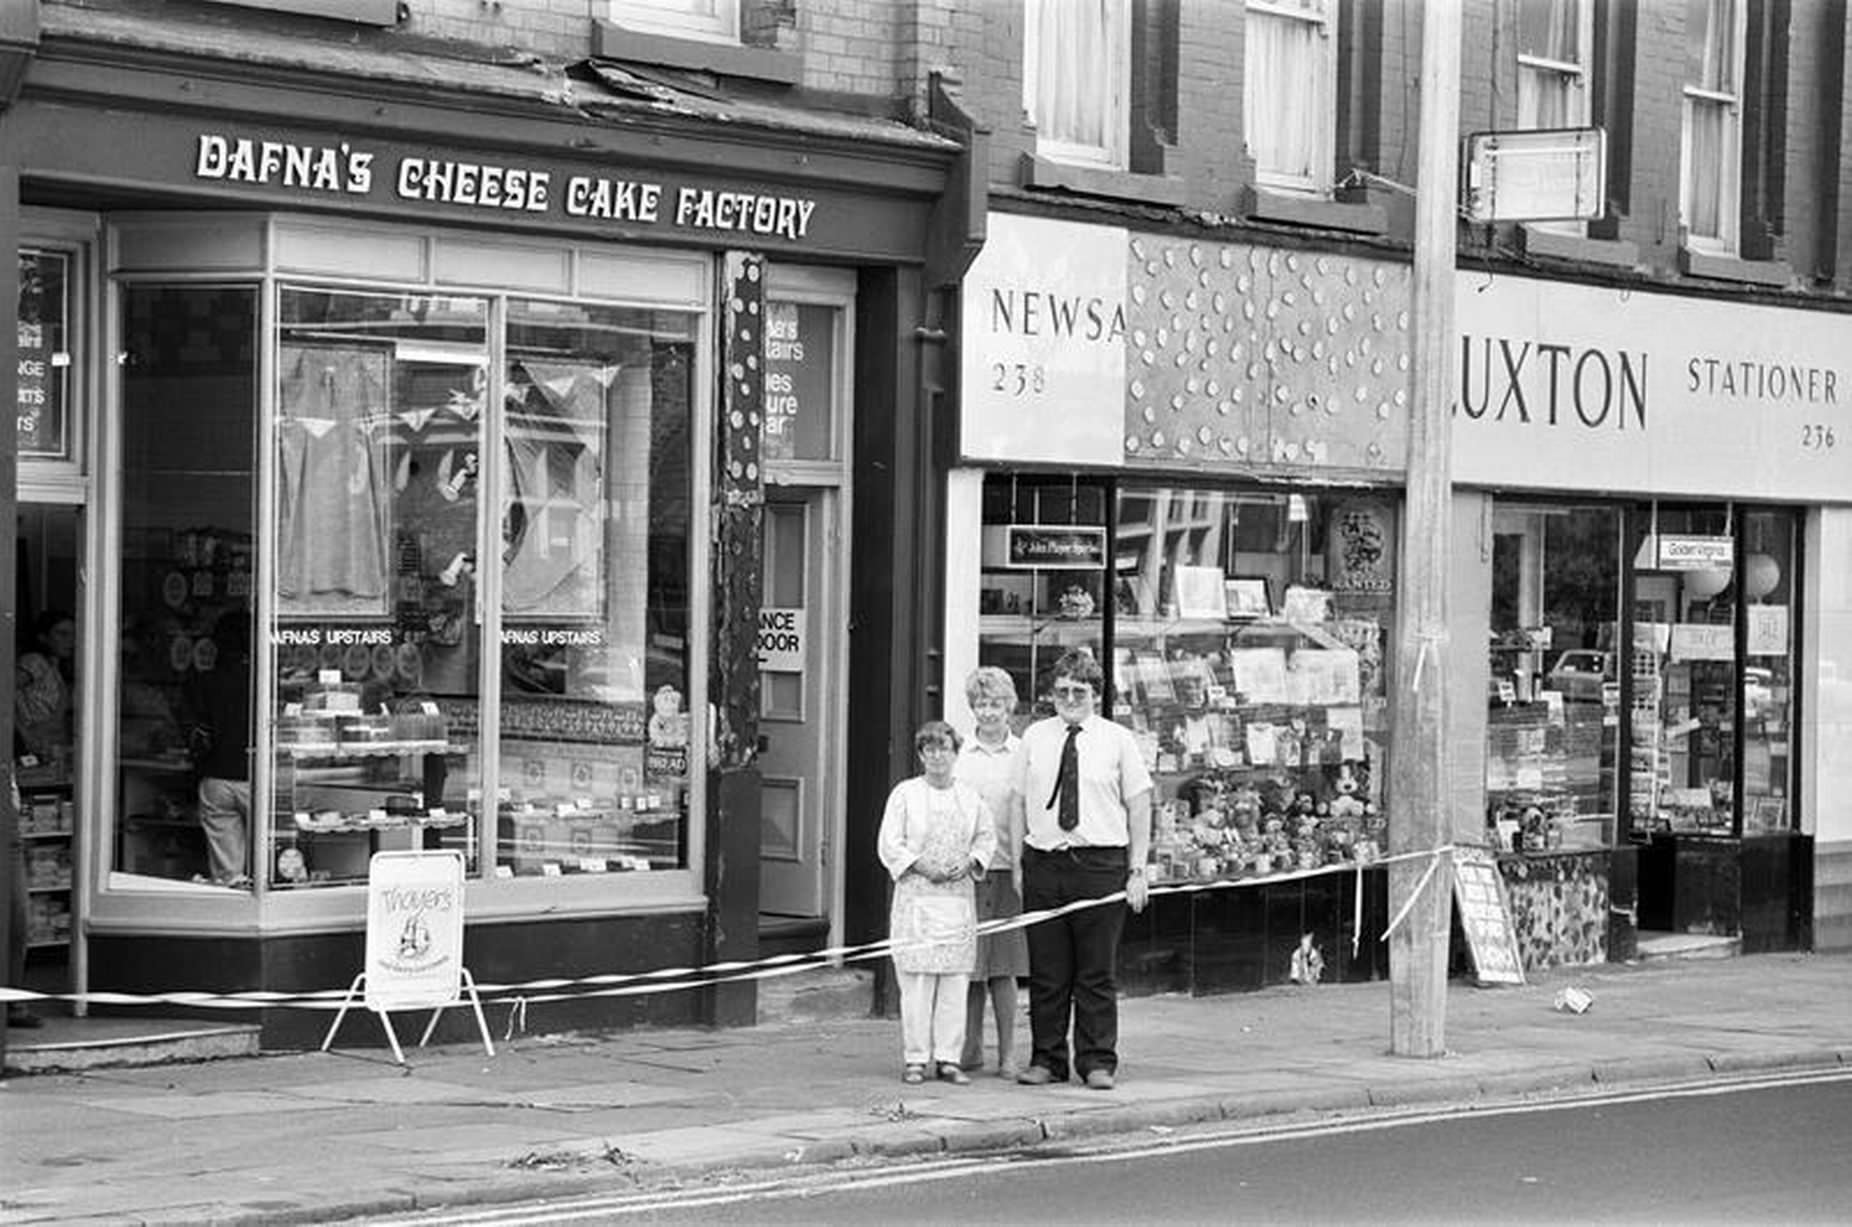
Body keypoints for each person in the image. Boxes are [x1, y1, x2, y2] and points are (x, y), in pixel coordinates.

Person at [1010, 648, 1152, 1091]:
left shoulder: (1117, 740)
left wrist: (1137, 869)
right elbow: (1016, 801)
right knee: (1048, 973)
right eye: (1062, 691)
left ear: (1096, 693)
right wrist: (1019, 863)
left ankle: (1096, 1061)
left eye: (1080, 691)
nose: (1070, 698)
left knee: (1096, 972)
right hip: (1045, 863)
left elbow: (1140, 804)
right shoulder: (1035, 736)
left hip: (1100, 864)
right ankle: (1047, 1059)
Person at [877, 720, 996, 1086]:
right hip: (917, 896)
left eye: (944, 748)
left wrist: (972, 861)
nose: (937, 756)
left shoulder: (970, 796)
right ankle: (915, 1058)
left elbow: (986, 837)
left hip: (957, 898)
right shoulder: (905, 794)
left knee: (954, 983)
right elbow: (889, 842)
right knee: (917, 983)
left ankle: (948, 1058)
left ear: (955, 753)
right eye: (929, 750)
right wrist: (920, 865)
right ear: (920, 755)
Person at [954, 666, 1029, 1078]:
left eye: (996, 704)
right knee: (970, 967)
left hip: (1005, 869)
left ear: (1009, 706)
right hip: (967, 873)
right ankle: (969, 1048)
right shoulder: (959, 753)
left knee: (1004, 966)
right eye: (981, 704)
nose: (988, 712)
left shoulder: (1021, 754)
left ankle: (1007, 1054)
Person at [186, 615, 254, 889]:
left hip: (216, 776)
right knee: (271, 865)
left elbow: (197, 732)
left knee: (229, 877)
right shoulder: (262, 680)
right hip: (257, 776)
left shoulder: (204, 681)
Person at [15, 610, 76, 764]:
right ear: (43, 637)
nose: (70, 641)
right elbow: (3, 693)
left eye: (73, 634)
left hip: (52, 748)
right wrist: (24, 734)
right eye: (62, 634)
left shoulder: (54, 668)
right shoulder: (34, 662)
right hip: (33, 748)